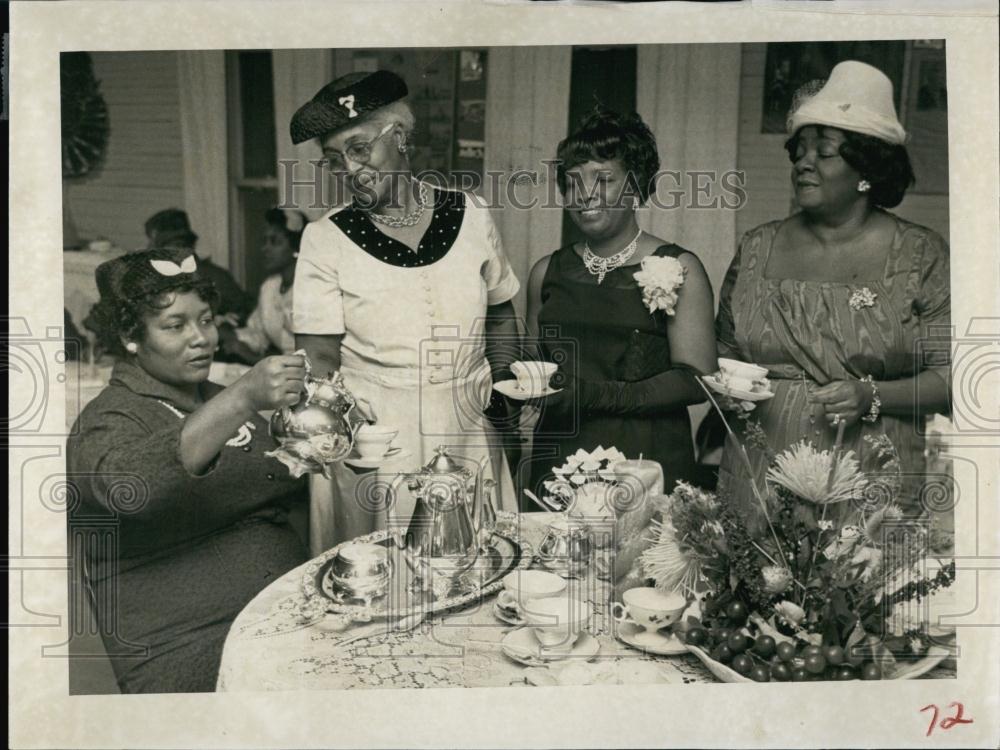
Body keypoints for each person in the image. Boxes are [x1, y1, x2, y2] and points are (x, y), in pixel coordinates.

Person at [289, 70, 521, 552]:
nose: (351, 170)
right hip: (377, 441)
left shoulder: (471, 213)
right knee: (386, 576)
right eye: (334, 160)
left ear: (399, 136)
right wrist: (345, 434)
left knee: (477, 564)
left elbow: (500, 311)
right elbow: (317, 359)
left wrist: (503, 396)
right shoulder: (326, 239)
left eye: (359, 149)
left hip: (467, 428)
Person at [715, 61, 952, 518]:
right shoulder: (757, 245)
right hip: (758, 477)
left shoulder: (920, 254)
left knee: (861, 585)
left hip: (872, 481)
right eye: (799, 151)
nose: (803, 162)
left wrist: (871, 394)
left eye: (823, 152)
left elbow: (955, 378)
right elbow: (724, 358)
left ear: (867, 168)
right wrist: (728, 388)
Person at [67, 249, 309, 693]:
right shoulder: (107, 421)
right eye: (175, 326)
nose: (202, 339)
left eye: (206, 320)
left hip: (283, 617)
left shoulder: (213, 397)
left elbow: (283, 480)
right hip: (189, 643)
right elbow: (131, 487)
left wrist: (336, 439)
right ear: (130, 336)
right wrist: (241, 398)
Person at [523, 109, 717, 504]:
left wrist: (591, 394)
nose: (585, 195)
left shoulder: (679, 267)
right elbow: (531, 367)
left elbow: (696, 378)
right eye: (572, 182)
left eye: (604, 179)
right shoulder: (546, 271)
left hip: (647, 461)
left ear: (635, 187)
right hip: (559, 458)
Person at [144, 208, 255, 327]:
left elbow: (247, 312)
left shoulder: (214, 277)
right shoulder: (149, 279)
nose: (149, 248)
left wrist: (221, 321)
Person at [221, 207, 305, 363]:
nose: (265, 248)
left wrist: (254, 358)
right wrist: (229, 335)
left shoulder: (311, 288)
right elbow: (257, 334)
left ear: (296, 246)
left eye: (275, 241)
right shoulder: (270, 287)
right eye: (264, 241)